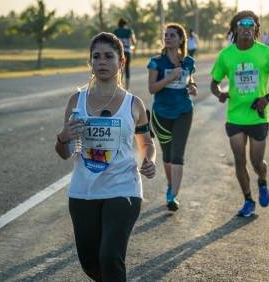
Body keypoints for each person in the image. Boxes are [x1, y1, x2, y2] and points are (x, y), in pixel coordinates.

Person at [55, 32, 156, 282]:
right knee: (90, 261)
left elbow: (146, 144)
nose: (101, 61)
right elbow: (64, 153)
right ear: (90, 62)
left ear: (121, 61)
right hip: (83, 191)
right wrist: (63, 136)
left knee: (110, 256)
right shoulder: (76, 101)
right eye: (96, 56)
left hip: (123, 189)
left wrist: (149, 160)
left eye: (108, 56)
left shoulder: (134, 104)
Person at [210, 10, 269, 217]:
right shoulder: (226, 56)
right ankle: (248, 200)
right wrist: (219, 94)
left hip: (258, 116)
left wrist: (267, 98)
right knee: (239, 160)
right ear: (235, 29)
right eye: (242, 26)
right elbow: (214, 83)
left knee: (256, 162)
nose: (246, 29)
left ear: (255, 29)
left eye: (250, 26)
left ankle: (262, 181)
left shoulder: (266, 53)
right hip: (235, 116)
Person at [147, 23, 197, 211]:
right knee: (167, 156)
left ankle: (172, 196)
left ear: (181, 39)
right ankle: (171, 185)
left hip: (184, 111)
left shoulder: (188, 62)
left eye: (172, 35)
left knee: (177, 155)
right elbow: (152, 89)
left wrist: (193, 87)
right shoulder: (156, 62)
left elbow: (189, 80)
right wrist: (169, 78)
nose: (167, 38)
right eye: (166, 35)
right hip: (161, 114)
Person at [113, 18, 136, 89]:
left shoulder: (115, 31)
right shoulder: (129, 31)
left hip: (118, 52)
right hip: (127, 51)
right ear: (125, 24)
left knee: (119, 68)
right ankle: (127, 88)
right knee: (127, 68)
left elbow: (113, 42)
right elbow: (133, 41)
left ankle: (119, 86)